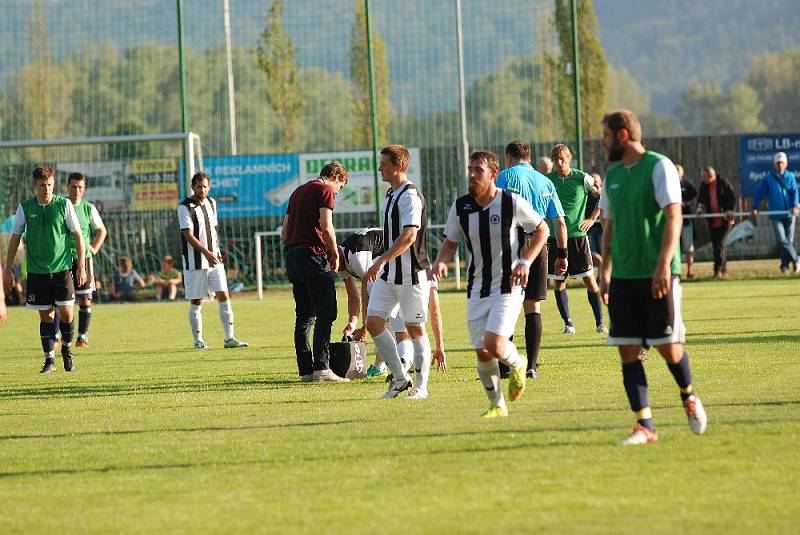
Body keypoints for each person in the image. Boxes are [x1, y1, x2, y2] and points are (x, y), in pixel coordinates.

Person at [598, 109, 707, 446]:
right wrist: (606, 271)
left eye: (606, 135)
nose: (603, 141)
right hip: (624, 278)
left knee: (668, 348)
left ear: (623, 135)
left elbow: (673, 216)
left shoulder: (658, 166)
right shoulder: (613, 174)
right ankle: (644, 425)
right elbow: (609, 226)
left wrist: (663, 265)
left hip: (657, 274)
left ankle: (688, 395)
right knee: (627, 350)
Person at [432, 150, 549, 417]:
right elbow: (451, 241)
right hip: (477, 287)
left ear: (494, 174)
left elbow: (542, 229)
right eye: (470, 169)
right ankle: (497, 404)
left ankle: (519, 363)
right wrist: (441, 261)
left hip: (509, 284)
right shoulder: (461, 206)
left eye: (478, 170)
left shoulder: (511, 202)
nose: (472, 175)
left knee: (495, 343)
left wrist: (526, 261)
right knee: (482, 352)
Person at [365, 144, 433, 400]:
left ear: (399, 166)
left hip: (412, 275)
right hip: (390, 275)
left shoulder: (409, 195)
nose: (380, 167)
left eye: (384, 163)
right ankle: (400, 378)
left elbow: (409, 236)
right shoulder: (390, 194)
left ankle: (421, 387)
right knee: (373, 322)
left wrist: (380, 260)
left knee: (415, 329)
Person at [3, 165, 87, 373]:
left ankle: (67, 350)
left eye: (50, 185)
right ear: (34, 185)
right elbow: (14, 239)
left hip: (62, 269)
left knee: (66, 314)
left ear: (54, 184)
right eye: (42, 185)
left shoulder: (64, 205)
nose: (47, 189)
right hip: (37, 271)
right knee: (46, 316)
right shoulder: (25, 207)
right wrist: (7, 270)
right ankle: (49, 360)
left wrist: (81, 267)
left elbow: (78, 236)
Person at [495, 140, 567, 379]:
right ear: (529, 158)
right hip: (539, 243)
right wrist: (563, 254)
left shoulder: (503, 176)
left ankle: (506, 366)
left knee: (506, 304)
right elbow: (559, 221)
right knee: (533, 306)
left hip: (512, 243)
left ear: (509, 158)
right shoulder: (545, 180)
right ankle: (532, 367)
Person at [337, 228, 446, 378]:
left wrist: (440, 346)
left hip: (401, 276)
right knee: (396, 326)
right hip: (392, 275)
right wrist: (354, 324)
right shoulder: (341, 260)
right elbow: (355, 297)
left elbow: (435, 311)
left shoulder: (355, 254)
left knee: (403, 328)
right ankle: (397, 365)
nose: (331, 267)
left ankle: (402, 369)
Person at [283, 162, 348, 382]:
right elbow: (326, 224)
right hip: (313, 255)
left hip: (293, 256)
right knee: (327, 312)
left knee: (304, 317)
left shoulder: (298, 191)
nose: (337, 194)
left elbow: (285, 228)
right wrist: (333, 253)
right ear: (337, 176)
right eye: (340, 188)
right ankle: (322, 367)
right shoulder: (325, 189)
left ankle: (305, 370)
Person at [179, 172, 248, 350]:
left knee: (224, 295)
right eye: (199, 186)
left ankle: (229, 338)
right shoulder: (185, 207)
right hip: (195, 262)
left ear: (209, 187)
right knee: (197, 301)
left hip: (214, 260)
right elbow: (188, 235)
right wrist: (206, 252)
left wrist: (215, 252)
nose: (202, 189)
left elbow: (212, 230)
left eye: (205, 186)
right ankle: (198, 341)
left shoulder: (211, 203)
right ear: (192, 187)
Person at [545, 144, 607, 335]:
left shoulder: (582, 177)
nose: (560, 163)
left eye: (563, 159)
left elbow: (603, 195)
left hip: (578, 237)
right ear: (553, 162)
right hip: (555, 238)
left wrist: (591, 218)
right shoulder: (548, 180)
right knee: (559, 281)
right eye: (556, 160)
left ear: (569, 158)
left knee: (589, 279)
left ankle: (600, 323)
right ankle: (568, 324)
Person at [66, 172, 107, 347]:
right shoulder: (61, 205)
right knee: (63, 300)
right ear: (67, 187)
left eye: (80, 187)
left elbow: (101, 230)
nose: (77, 190)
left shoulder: (88, 208)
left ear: (84, 189)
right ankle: (60, 336)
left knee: (85, 299)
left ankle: (82, 336)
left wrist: (95, 248)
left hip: (85, 259)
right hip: (64, 259)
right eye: (74, 186)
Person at [752, 152, 800, 273]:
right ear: (774, 164)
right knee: (782, 240)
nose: (779, 165)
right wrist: (755, 207)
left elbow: (795, 192)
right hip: (776, 214)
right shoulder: (768, 178)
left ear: (786, 164)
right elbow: (759, 194)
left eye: (782, 163)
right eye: (777, 163)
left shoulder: (790, 176)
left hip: (790, 213)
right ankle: (796, 259)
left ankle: (784, 266)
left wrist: (795, 205)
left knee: (788, 241)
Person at [696, 166, 736, 278]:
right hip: (713, 220)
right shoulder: (704, 186)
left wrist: (730, 210)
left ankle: (717, 270)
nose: (702, 179)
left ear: (711, 176)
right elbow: (701, 200)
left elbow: (732, 198)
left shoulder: (724, 183)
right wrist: (699, 209)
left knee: (720, 245)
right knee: (716, 246)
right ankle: (724, 270)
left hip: (725, 220)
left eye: (704, 176)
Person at [677, 165, 697, 279]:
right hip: (673, 221)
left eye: (678, 173)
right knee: (676, 248)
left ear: (682, 174)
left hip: (686, 220)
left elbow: (694, 198)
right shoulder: (668, 183)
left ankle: (690, 270)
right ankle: (676, 271)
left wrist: (686, 204)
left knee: (688, 247)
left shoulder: (686, 185)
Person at [586, 172, 604, 273]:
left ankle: (600, 280)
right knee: (594, 255)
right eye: (593, 181)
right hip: (589, 230)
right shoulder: (586, 196)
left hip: (602, 229)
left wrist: (600, 193)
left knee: (604, 256)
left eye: (597, 181)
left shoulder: (604, 196)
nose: (595, 184)